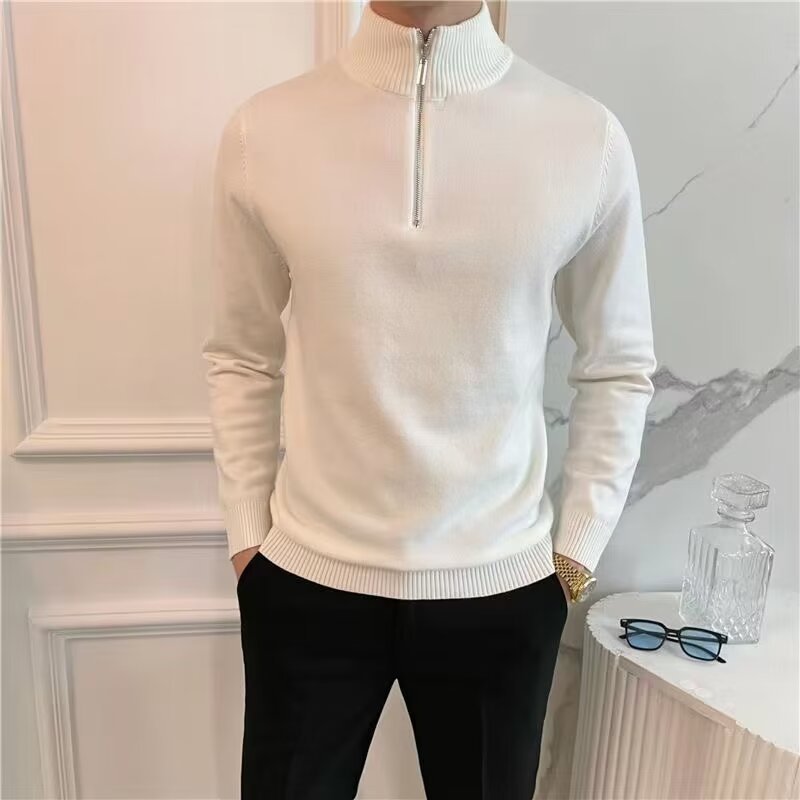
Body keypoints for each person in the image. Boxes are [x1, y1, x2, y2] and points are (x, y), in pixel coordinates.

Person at [201, 0, 657, 797]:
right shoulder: (263, 133)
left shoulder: (584, 138)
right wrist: (248, 537)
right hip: (308, 579)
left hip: (502, 587)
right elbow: (242, 354)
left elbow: (618, 365)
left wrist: (575, 553)